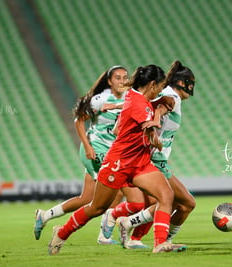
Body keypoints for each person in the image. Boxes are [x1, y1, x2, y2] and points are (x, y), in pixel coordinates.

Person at [47, 64, 187, 255]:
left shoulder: (136, 97)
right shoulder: (137, 103)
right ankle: (61, 232)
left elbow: (131, 120)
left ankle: (160, 243)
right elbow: (148, 124)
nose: (161, 91)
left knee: (166, 196)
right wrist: (155, 128)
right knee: (97, 207)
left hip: (140, 163)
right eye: (160, 87)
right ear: (152, 84)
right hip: (119, 163)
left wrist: (159, 104)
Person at [33, 65, 128, 244]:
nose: (122, 81)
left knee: (87, 198)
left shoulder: (128, 96)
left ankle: (45, 216)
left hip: (109, 153)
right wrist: (87, 147)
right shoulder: (100, 99)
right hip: (96, 151)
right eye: (118, 78)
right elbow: (79, 121)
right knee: (120, 188)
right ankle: (104, 235)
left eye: (125, 77)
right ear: (109, 81)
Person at [113, 60, 197, 249]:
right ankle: (151, 235)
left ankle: (134, 229)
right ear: (183, 83)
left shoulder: (168, 95)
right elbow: (161, 108)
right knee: (185, 203)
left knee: (170, 202)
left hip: (156, 157)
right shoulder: (171, 95)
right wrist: (156, 120)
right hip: (154, 158)